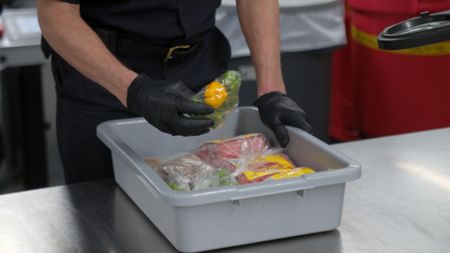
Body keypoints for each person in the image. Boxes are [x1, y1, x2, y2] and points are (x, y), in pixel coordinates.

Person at [37, 0, 312, 184]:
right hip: (102, 81)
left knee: (208, 196)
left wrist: (272, 89)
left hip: (200, 74)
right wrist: (134, 89)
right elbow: (55, 14)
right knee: (107, 216)